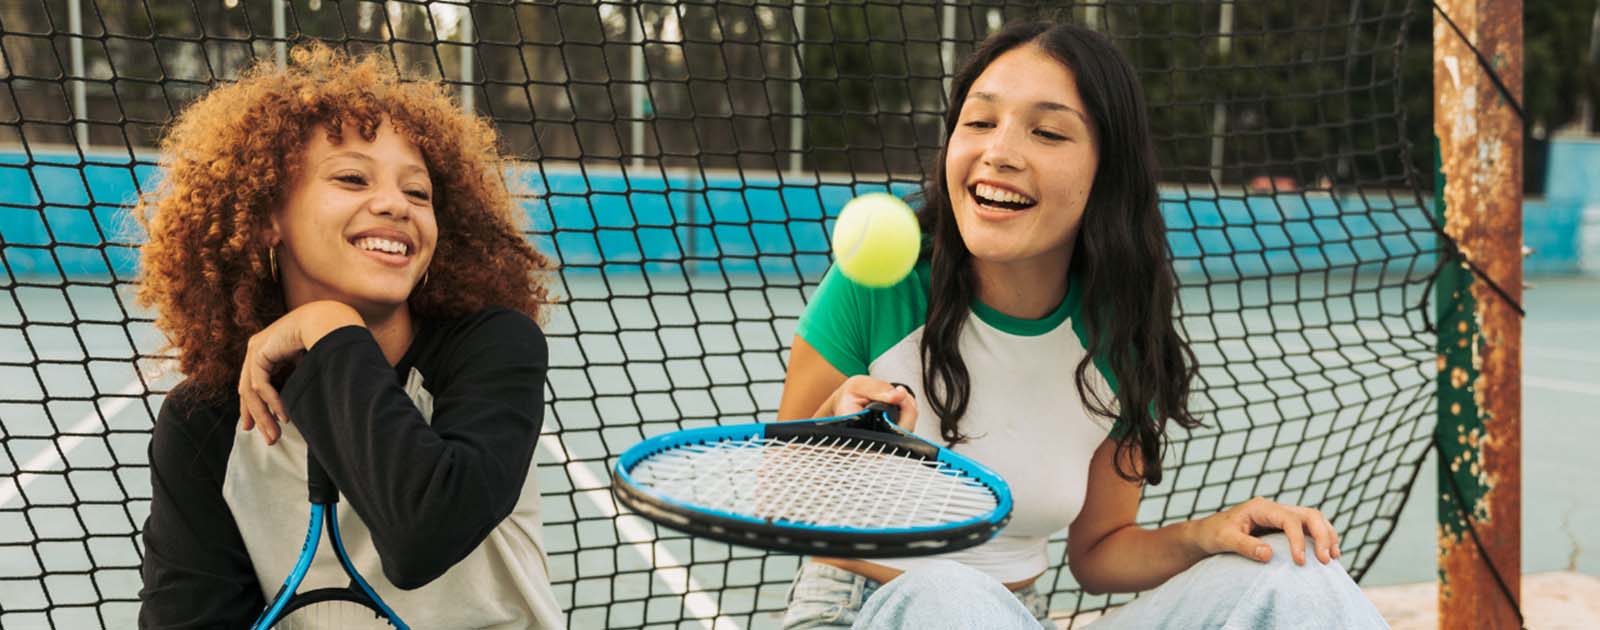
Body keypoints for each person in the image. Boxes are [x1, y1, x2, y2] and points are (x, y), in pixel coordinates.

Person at [776, 21, 1387, 629]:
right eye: (980, 122)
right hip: (860, 612)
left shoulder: (1118, 330)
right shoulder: (880, 285)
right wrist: (835, 435)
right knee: (950, 596)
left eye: (1046, 132)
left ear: (1106, 173)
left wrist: (1207, 535)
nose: (1000, 153)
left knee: (1295, 574)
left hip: (1016, 618)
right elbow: (775, 499)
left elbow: (1099, 551)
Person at [135, 44, 564, 628]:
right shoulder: (204, 423)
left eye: (418, 192)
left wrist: (330, 327)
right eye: (352, 178)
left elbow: (424, 534)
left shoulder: (494, 347)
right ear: (267, 218)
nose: (394, 203)